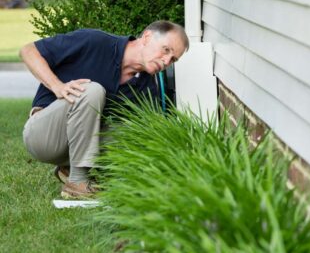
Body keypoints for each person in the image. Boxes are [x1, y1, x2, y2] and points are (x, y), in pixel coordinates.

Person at [20, 20, 189, 199]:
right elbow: (28, 51)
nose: (166, 61)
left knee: (143, 133)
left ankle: (75, 169)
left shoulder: (146, 88)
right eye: (166, 50)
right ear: (147, 37)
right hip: (43, 136)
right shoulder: (94, 42)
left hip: (77, 144)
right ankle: (77, 182)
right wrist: (57, 86)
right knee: (91, 91)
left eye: (173, 59)